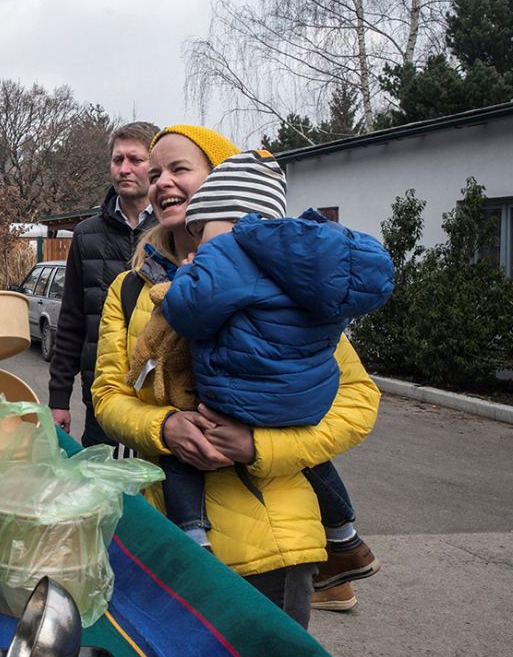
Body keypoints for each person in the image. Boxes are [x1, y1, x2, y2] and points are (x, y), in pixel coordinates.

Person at [91, 125, 382, 628]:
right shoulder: (132, 289)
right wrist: (163, 429)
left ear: (223, 184)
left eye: (180, 169)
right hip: (169, 539)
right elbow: (108, 397)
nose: (161, 182)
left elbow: (358, 400)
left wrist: (259, 446)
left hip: (276, 546)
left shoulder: (285, 279)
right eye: (155, 172)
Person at [48, 121, 159, 456]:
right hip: (100, 392)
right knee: (99, 487)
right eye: (117, 160)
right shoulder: (86, 234)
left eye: (135, 160)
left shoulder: (176, 229)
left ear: (156, 166)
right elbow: (71, 321)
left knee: (155, 494)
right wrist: (58, 399)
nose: (124, 169)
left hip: (159, 396)